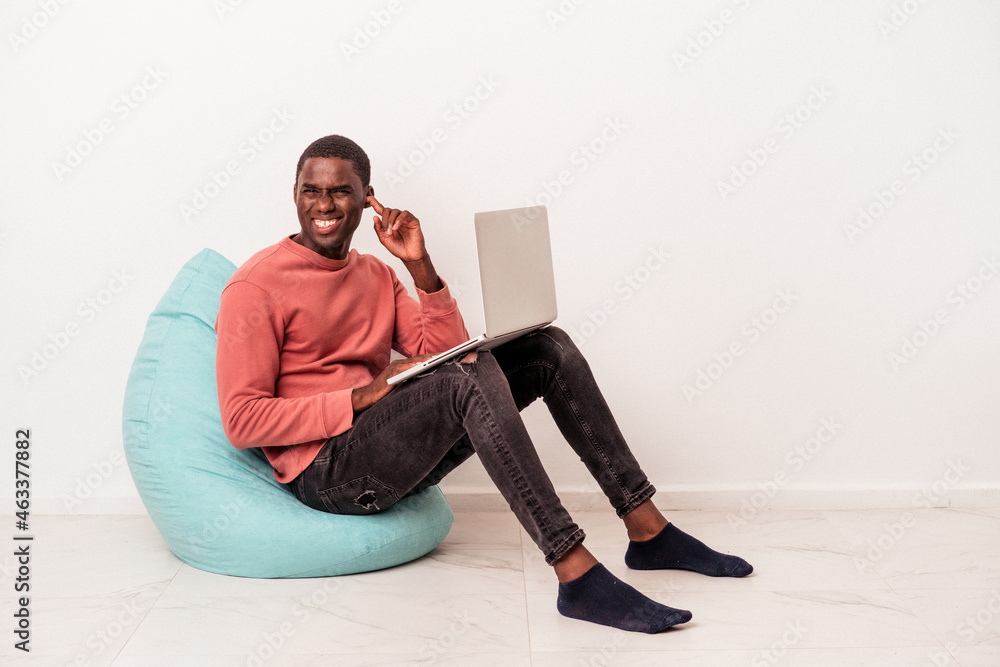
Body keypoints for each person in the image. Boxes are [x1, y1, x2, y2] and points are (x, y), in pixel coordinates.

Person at [215, 134, 753, 634]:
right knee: (460, 384)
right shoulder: (256, 285)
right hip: (325, 472)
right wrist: (358, 396)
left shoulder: (376, 275)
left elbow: (450, 351)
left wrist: (420, 266)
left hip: (381, 445)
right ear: (294, 194)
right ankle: (575, 572)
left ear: (367, 199)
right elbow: (241, 420)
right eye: (311, 191)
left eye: (340, 192)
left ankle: (648, 530)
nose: (324, 206)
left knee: (548, 347)